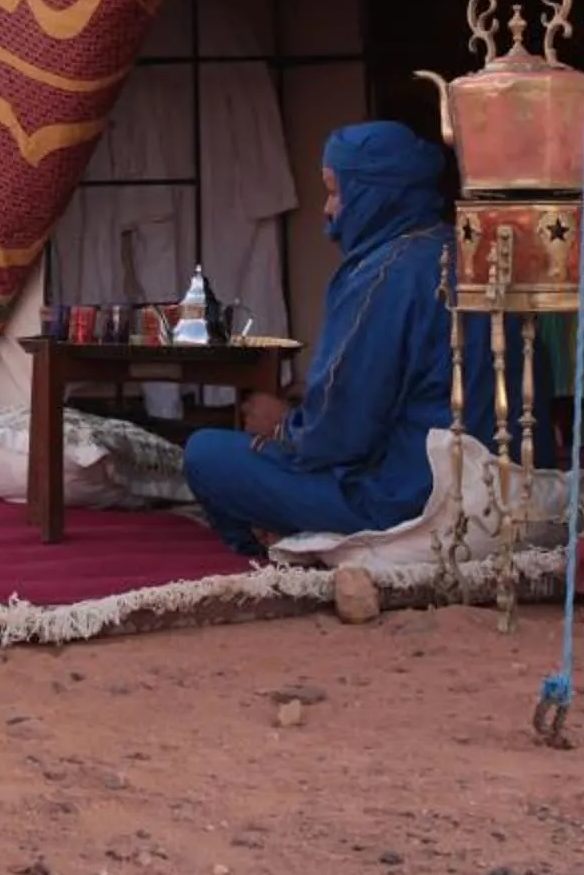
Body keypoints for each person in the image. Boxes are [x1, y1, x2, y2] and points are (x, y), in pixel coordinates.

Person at [181, 119, 499, 557]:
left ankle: (272, 548)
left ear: (372, 194)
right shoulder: (473, 258)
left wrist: (281, 428)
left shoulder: (384, 276)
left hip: (407, 499)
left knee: (206, 455)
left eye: (335, 192)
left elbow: (342, 433)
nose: (328, 210)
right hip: (499, 489)